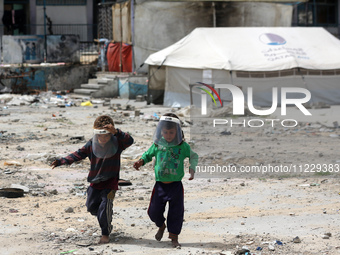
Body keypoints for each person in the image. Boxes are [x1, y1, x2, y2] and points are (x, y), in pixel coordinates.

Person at [51, 115, 134, 244]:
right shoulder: (91, 143)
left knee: (105, 206)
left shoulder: (117, 142)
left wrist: (116, 132)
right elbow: (78, 154)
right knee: (91, 207)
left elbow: (130, 140)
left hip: (110, 182)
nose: (103, 138)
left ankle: (105, 233)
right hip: (95, 181)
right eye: (100, 135)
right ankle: (104, 217)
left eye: (106, 135)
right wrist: (61, 161)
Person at [133, 113, 198, 248]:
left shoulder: (182, 146)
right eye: (165, 132)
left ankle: (174, 238)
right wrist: (141, 161)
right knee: (153, 212)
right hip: (160, 185)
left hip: (176, 186)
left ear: (178, 132)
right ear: (160, 132)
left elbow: (193, 156)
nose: (168, 135)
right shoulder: (158, 144)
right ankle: (161, 225)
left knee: (176, 213)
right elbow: (148, 155)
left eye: (171, 132)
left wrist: (192, 168)